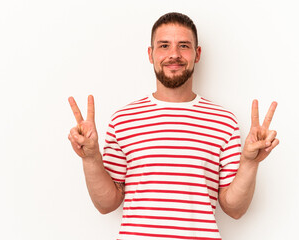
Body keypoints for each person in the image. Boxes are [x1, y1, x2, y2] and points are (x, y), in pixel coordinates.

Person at [68, 12, 279, 240]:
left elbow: (235, 209)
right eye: (164, 45)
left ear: (197, 54)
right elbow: (106, 204)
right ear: (151, 54)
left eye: (184, 46)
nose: (174, 55)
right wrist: (90, 159)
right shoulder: (123, 119)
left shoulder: (223, 121)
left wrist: (249, 163)